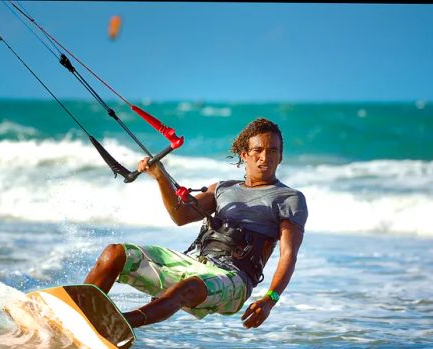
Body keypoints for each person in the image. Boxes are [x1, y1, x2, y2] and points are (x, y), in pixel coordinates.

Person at [84, 117, 308, 330]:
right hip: (196, 264)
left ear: (280, 157)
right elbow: (180, 216)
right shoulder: (222, 189)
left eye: (273, 151)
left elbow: (288, 254)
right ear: (244, 155)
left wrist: (271, 298)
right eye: (258, 150)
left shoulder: (289, 198)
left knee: (189, 285)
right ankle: (80, 309)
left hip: (235, 280)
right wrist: (161, 178)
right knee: (115, 254)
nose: (265, 157)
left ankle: (115, 324)